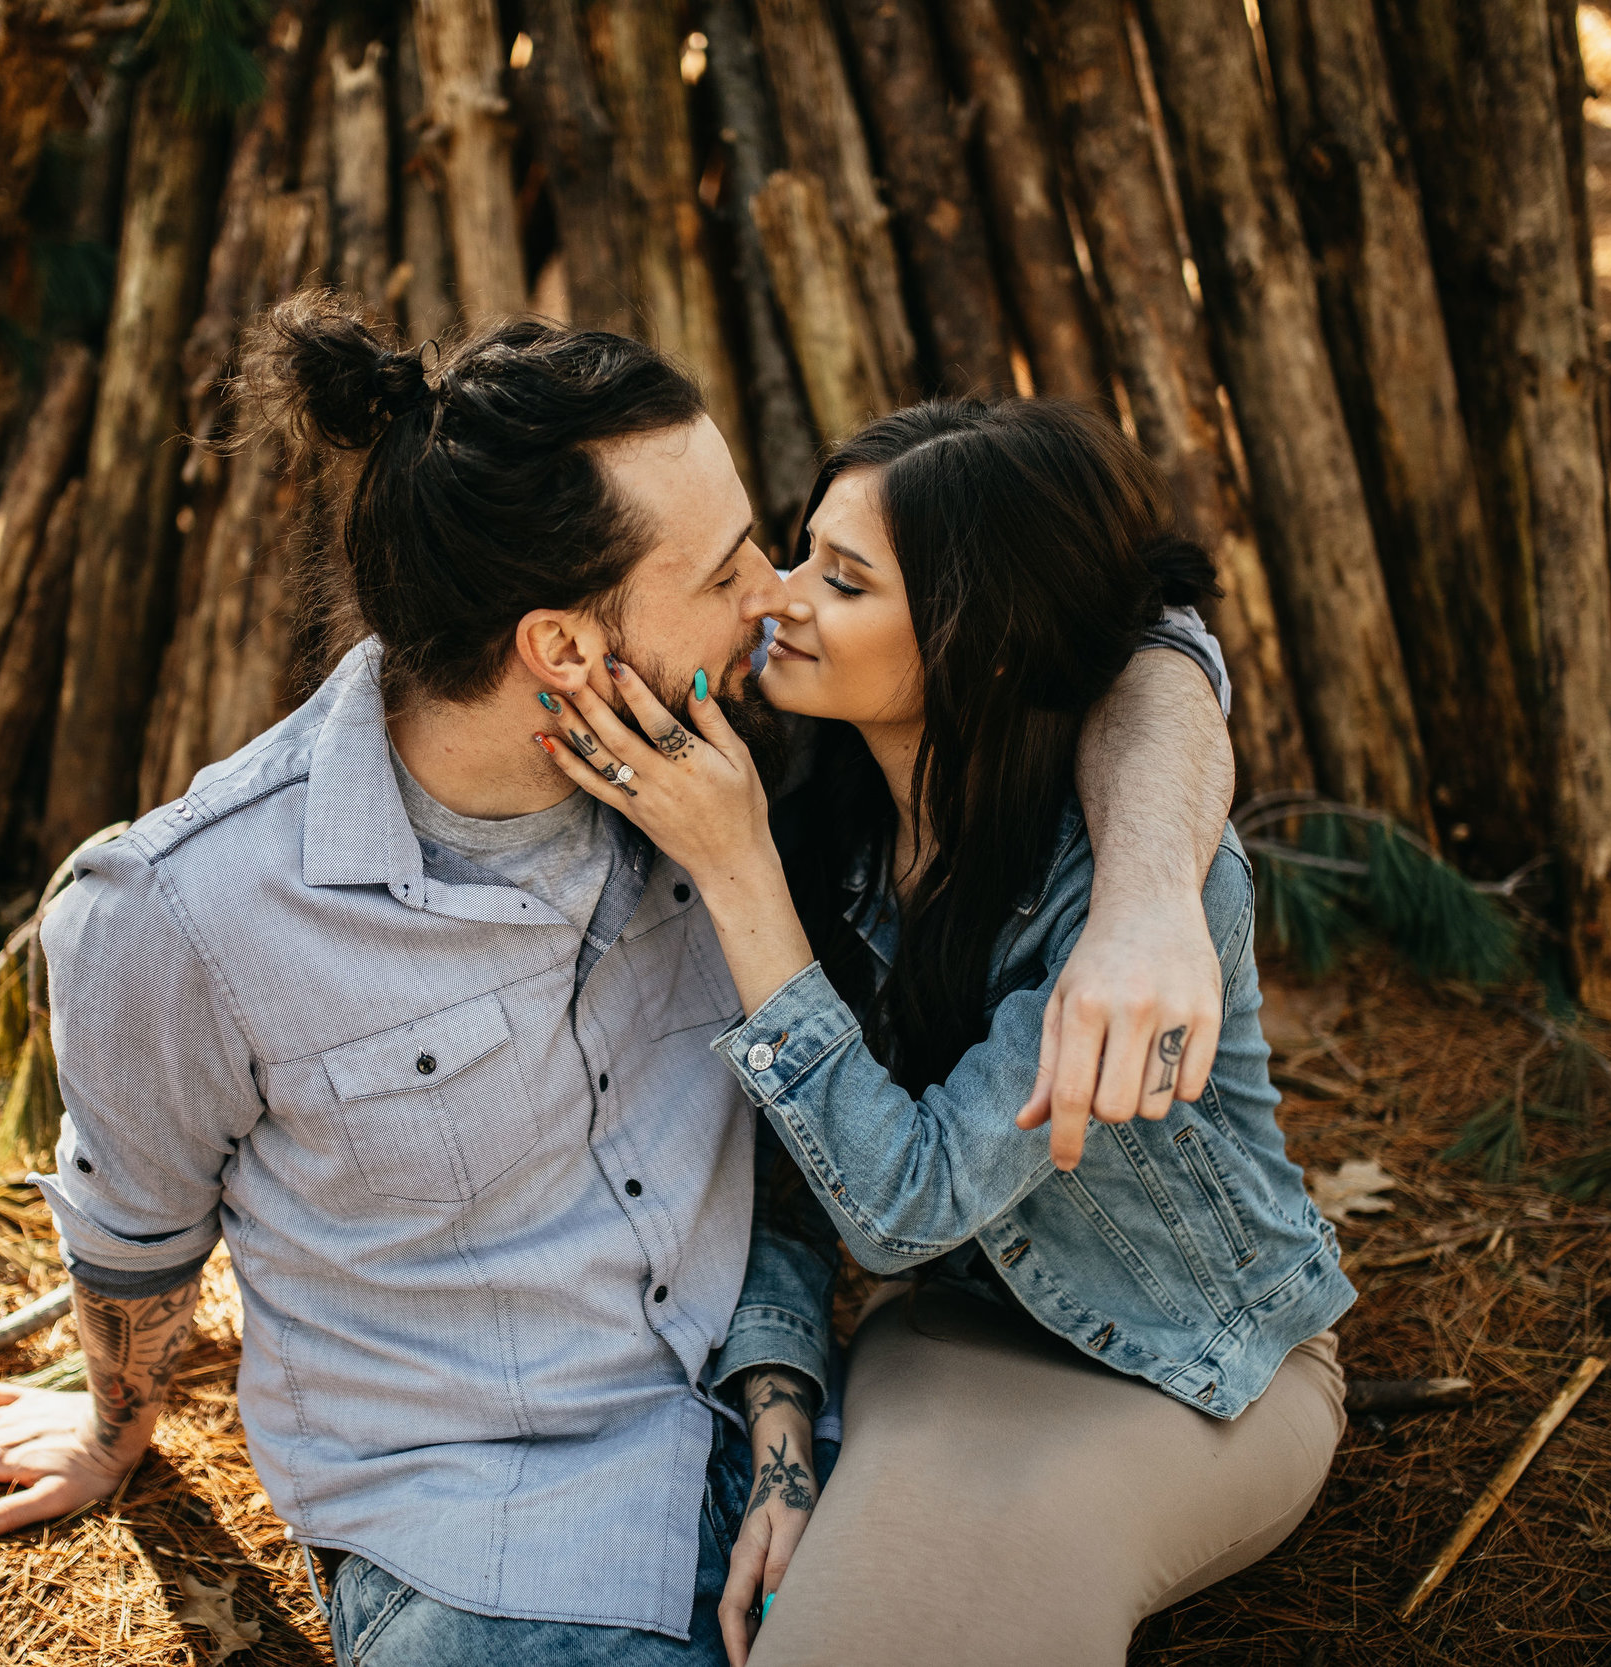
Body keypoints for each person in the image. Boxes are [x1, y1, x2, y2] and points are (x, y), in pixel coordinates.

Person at [0, 297, 1241, 1666]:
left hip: (802, 1435)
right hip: (497, 1549)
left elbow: (1134, 636)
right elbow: (135, 1229)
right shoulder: (185, 912)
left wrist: (1145, 892)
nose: (774, 597)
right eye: (727, 569)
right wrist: (112, 1429)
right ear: (566, 651)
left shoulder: (757, 770)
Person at [533, 398, 1355, 1667]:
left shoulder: (1128, 892)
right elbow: (796, 1190)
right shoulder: (837, 828)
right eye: (802, 553)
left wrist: (736, 870)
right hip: (948, 1343)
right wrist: (780, 1411)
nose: (783, 597)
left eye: (843, 580)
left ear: (990, 644)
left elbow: (901, 1205)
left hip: (1200, 1372)